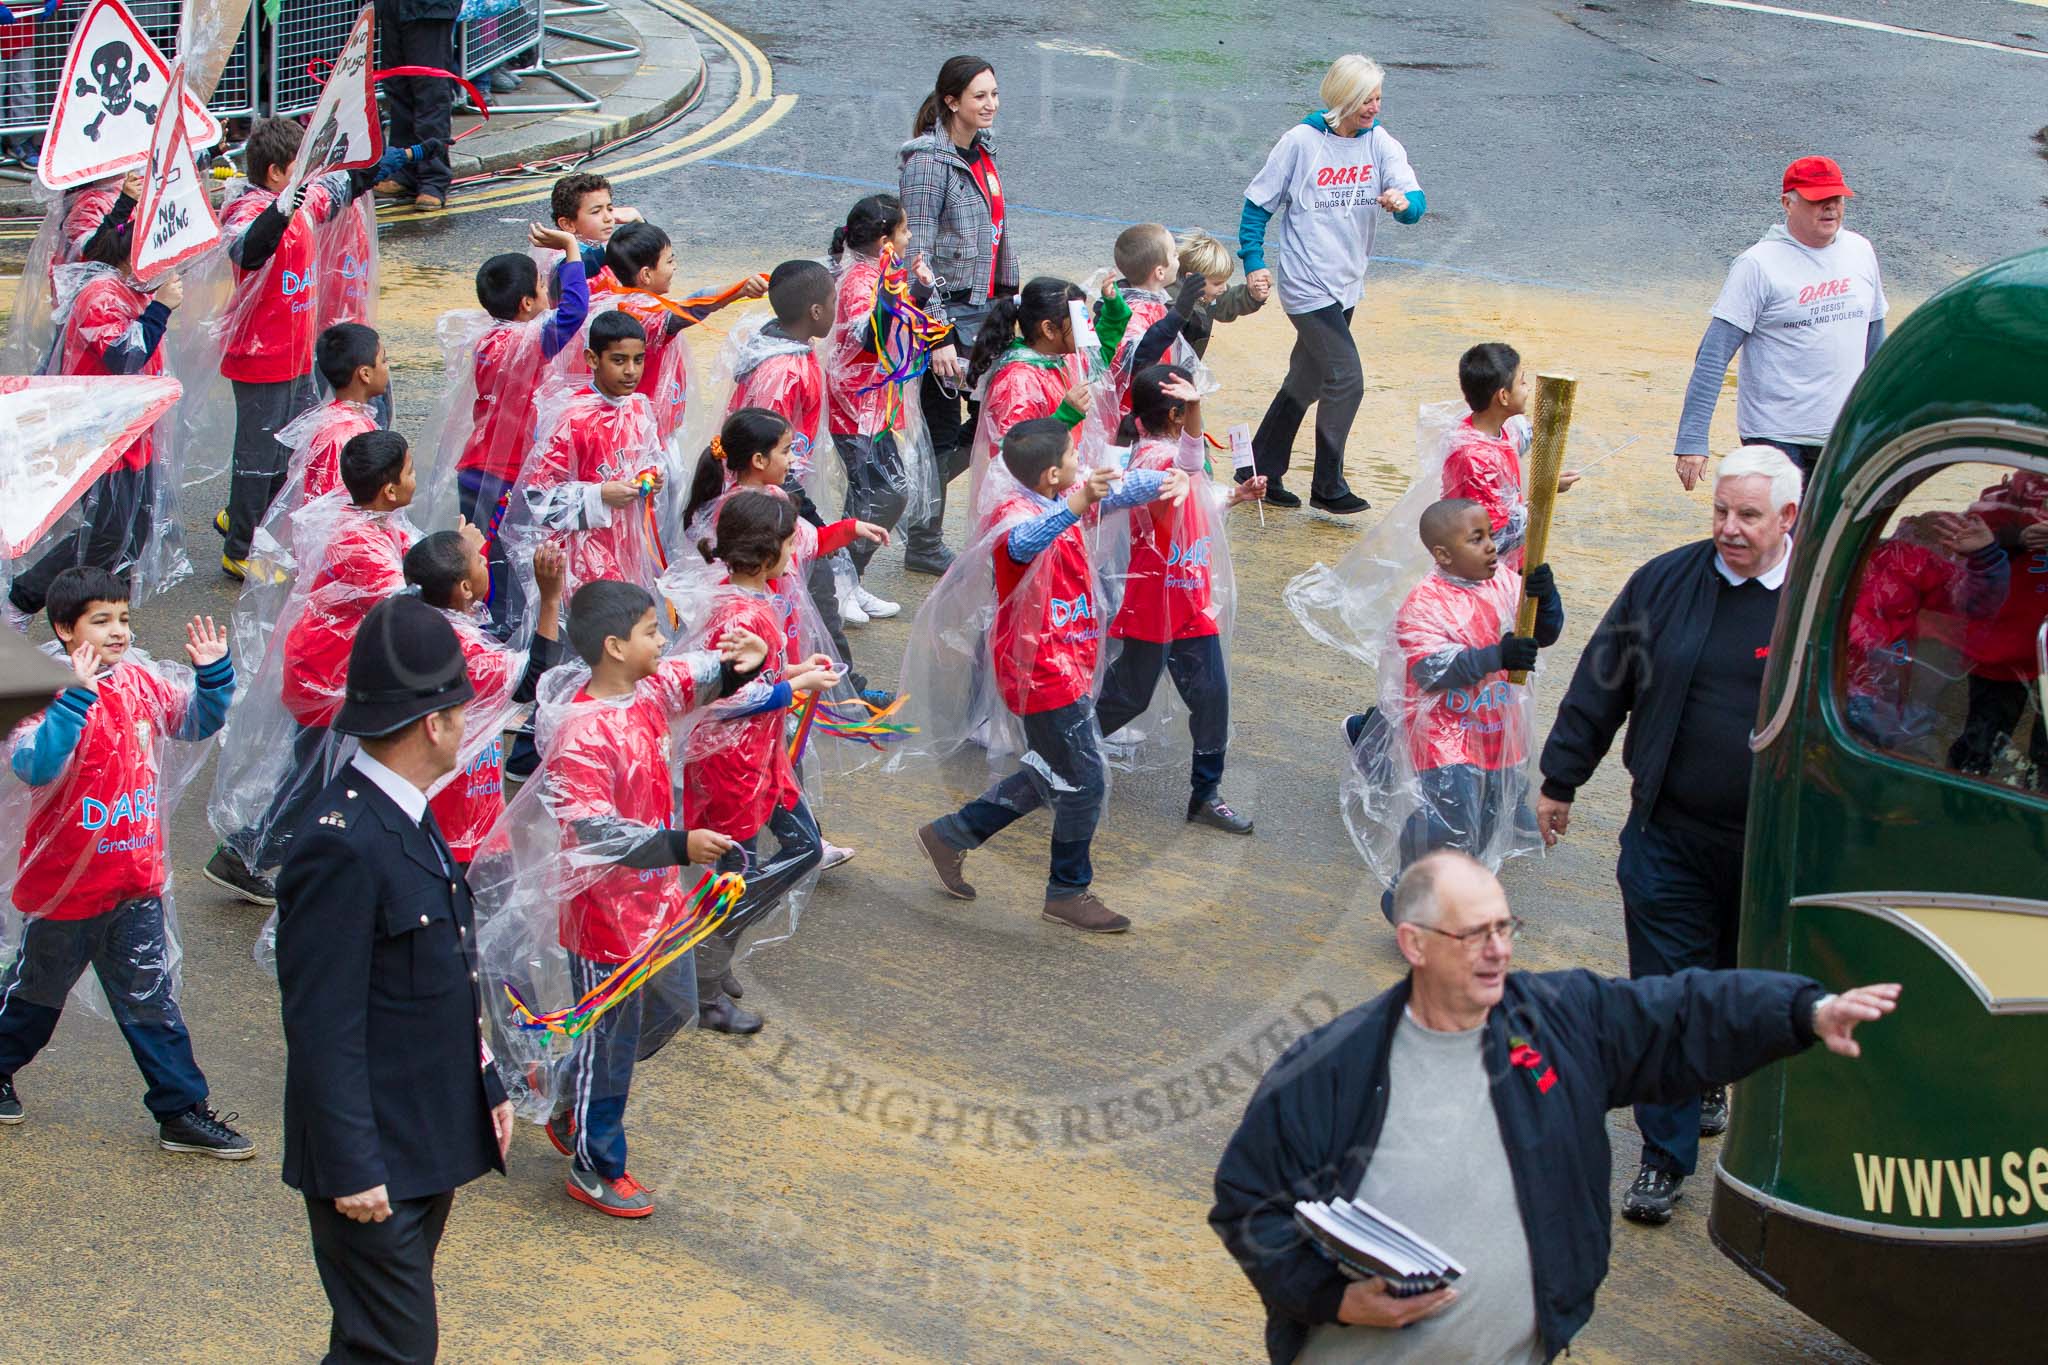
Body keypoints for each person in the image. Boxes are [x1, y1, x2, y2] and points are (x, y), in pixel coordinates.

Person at [1210, 850, 1902, 1365]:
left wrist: (1803, 1009)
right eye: (1474, 933)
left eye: (1506, 927)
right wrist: (1330, 1298)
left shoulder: (1558, 1019)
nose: (1498, 950)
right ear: (1413, 942)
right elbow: (1247, 1202)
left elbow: (1681, 1013)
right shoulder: (1332, 1068)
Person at [1535, 444, 1803, 1223]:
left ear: (1788, 518)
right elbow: (1601, 678)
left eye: (1748, 515)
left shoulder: (1818, 598)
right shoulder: (1664, 583)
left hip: (1767, 851)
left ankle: (1709, 1071)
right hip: (1668, 836)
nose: (1728, 527)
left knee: (1727, 978)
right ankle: (1664, 1155)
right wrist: (1561, 779)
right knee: (1665, 992)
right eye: (1721, 510)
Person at [274, 595, 516, 1360]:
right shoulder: (340, 843)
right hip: (371, 1155)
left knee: (370, 1346)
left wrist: (489, 1083)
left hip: (419, 1136)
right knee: (396, 1350)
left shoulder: (405, 811)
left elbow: (447, 966)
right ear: (433, 724)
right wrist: (352, 1166)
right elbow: (321, 1020)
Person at [532, 579, 770, 1215]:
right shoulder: (580, 736)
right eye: (649, 632)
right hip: (602, 919)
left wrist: (749, 660)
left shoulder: (649, 691)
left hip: (657, 905)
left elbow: (707, 674)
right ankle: (596, 1164)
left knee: (673, 1007)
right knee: (608, 1044)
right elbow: (593, 833)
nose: (663, 643)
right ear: (614, 646)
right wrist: (680, 844)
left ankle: (570, 1096)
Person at [0, 567, 251, 1156]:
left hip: (135, 878)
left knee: (150, 998)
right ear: (65, 628)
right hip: (68, 886)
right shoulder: (45, 694)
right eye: (101, 619)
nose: (118, 631)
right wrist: (77, 699)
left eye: (124, 618)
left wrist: (213, 674)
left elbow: (194, 723)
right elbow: (35, 765)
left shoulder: (140, 681)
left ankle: (180, 1109)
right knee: (39, 991)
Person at [914, 418, 1188, 934]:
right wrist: (1079, 502)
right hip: (1039, 673)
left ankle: (952, 834)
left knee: (1051, 769)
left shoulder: (1055, 497)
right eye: (1071, 458)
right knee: (1085, 781)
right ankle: (1067, 891)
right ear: (1050, 477)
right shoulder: (1017, 519)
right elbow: (1025, 542)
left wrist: (1171, 478)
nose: (1079, 464)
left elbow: (1117, 487)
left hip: (1064, 663)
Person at [202, 432, 420, 904]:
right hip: (327, 678)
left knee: (315, 774)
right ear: (388, 489)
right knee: (313, 780)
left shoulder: (369, 517)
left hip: (327, 670)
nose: (415, 479)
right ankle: (246, 856)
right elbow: (406, 600)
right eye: (410, 471)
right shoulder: (361, 542)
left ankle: (275, 854)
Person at [216, 119, 431, 579]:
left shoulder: (306, 196)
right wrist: (279, 210)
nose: (313, 175)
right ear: (276, 174)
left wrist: (407, 156)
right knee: (258, 460)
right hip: (261, 357)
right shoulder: (247, 209)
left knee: (288, 453)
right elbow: (247, 251)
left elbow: (350, 179)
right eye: (302, 167)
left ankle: (252, 524)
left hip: (297, 354)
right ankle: (239, 546)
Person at [1346, 500, 1563, 918]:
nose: (1491, 547)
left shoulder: (1503, 582)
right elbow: (1433, 670)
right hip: (1445, 735)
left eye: (1490, 535)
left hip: (1495, 726)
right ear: (1443, 554)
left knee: (1483, 825)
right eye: (1476, 538)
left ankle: (1454, 896)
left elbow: (1545, 633)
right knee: (1447, 821)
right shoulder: (1424, 604)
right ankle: (1406, 895)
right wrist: (1497, 656)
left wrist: (1545, 597)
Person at [684, 492, 842, 1033]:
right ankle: (705, 979)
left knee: (803, 849)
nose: (797, 550)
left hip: (760, 759)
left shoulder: (747, 599)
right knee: (736, 879)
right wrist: (793, 685)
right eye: (791, 541)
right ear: (768, 551)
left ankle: (713, 952)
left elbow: (756, 675)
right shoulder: (738, 613)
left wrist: (792, 668)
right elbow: (720, 699)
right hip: (732, 769)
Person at [1240, 54, 1425, 513]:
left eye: (1379, 97)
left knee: (1307, 378)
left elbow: (1416, 204)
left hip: (1346, 282)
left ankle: (1256, 469)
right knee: (1346, 378)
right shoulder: (1299, 143)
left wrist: (1402, 204)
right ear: (1343, 97)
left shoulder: (1381, 144)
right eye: (1367, 99)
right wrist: (1253, 261)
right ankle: (1327, 484)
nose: (1375, 108)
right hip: (1306, 285)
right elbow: (1257, 206)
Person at [1096, 366, 1266, 833]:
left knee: (1211, 698)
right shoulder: (1154, 458)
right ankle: (1056, 760)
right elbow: (1187, 468)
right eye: (1188, 408)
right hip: (1154, 602)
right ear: (1174, 414)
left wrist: (1231, 497)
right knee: (1126, 697)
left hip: (1189, 598)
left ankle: (1206, 795)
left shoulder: (1162, 454)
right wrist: (1196, 411)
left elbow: (1192, 501)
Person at [4, 221, 183, 624]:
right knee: (104, 537)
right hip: (102, 439)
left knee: (132, 539)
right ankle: (23, 599)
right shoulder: (100, 295)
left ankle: (109, 619)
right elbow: (125, 355)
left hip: (132, 436)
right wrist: (161, 309)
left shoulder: (129, 290)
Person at [1673, 156, 1886, 489]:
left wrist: (1881, 420)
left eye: (1837, 199)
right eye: (1818, 200)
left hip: (1843, 432)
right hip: (1774, 435)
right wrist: (1692, 440)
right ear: (1788, 203)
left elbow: (1875, 341)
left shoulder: (1861, 251)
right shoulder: (1757, 265)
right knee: (1778, 534)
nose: (1830, 208)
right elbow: (1713, 356)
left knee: (1827, 539)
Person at [898, 54, 1015, 575]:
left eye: (993, 94)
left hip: (986, 311)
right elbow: (915, 255)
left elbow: (996, 235)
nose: (990, 105)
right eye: (979, 96)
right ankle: (918, 535)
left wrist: (1008, 301)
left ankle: (911, 502)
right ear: (951, 102)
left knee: (995, 418)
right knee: (943, 432)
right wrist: (937, 333)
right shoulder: (927, 163)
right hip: (946, 320)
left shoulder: (984, 152)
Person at [403, 532, 568, 876]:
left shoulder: (419, 624)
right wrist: (550, 599)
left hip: (439, 801)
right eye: (479, 560)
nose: (485, 562)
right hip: (458, 813)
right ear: (464, 587)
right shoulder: (462, 647)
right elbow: (533, 680)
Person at [455, 224, 592, 628]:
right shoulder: (527, 344)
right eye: (541, 288)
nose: (549, 297)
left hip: (475, 468)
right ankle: (501, 640)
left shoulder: (490, 338)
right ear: (527, 303)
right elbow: (574, 312)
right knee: (501, 568)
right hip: (502, 475)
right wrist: (570, 246)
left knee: (482, 559)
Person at [826, 192, 939, 618]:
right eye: (904, 230)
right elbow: (871, 337)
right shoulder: (860, 281)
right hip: (854, 410)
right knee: (883, 496)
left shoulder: (877, 274)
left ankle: (848, 581)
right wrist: (897, 295)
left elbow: (898, 329)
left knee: (876, 496)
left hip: (872, 407)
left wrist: (919, 292)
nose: (910, 237)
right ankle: (840, 583)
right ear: (883, 241)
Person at [514, 311, 667, 601]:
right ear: (592, 358)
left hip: (629, 546)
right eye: (619, 360)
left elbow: (650, 459)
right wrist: (599, 495)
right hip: (582, 556)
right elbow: (537, 498)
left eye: (638, 360)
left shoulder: (638, 407)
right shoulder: (573, 418)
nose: (631, 371)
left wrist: (651, 479)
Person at [1440, 343, 1578, 572]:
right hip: (1488, 572)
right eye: (1522, 382)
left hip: (1514, 561)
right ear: (1503, 396)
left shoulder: (1503, 427)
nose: (1528, 389)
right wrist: (1545, 490)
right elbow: (1497, 536)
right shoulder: (1476, 460)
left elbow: (1524, 435)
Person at [282, 323, 389, 507]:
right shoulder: (344, 433)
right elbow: (335, 507)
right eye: (384, 361)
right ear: (365, 374)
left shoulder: (344, 420)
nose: (388, 367)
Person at [373, 0, 459, 211]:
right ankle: (404, 171)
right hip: (393, 8)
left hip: (428, 8)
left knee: (430, 92)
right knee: (398, 89)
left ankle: (433, 179)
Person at [1171, 229, 1271, 361]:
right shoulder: (1171, 306)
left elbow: (1228, 301)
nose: (1223, 288)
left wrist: (1253, 295)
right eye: (1217, 283)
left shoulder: (1203, 294)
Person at [550, 170, 644, 277]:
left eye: (609, 209)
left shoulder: (599, 244)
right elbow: (578, 268)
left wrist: (639, 220)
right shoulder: (560, 255)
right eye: (596, 212)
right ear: (568, 224)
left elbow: (656, 255)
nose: (608, 218)